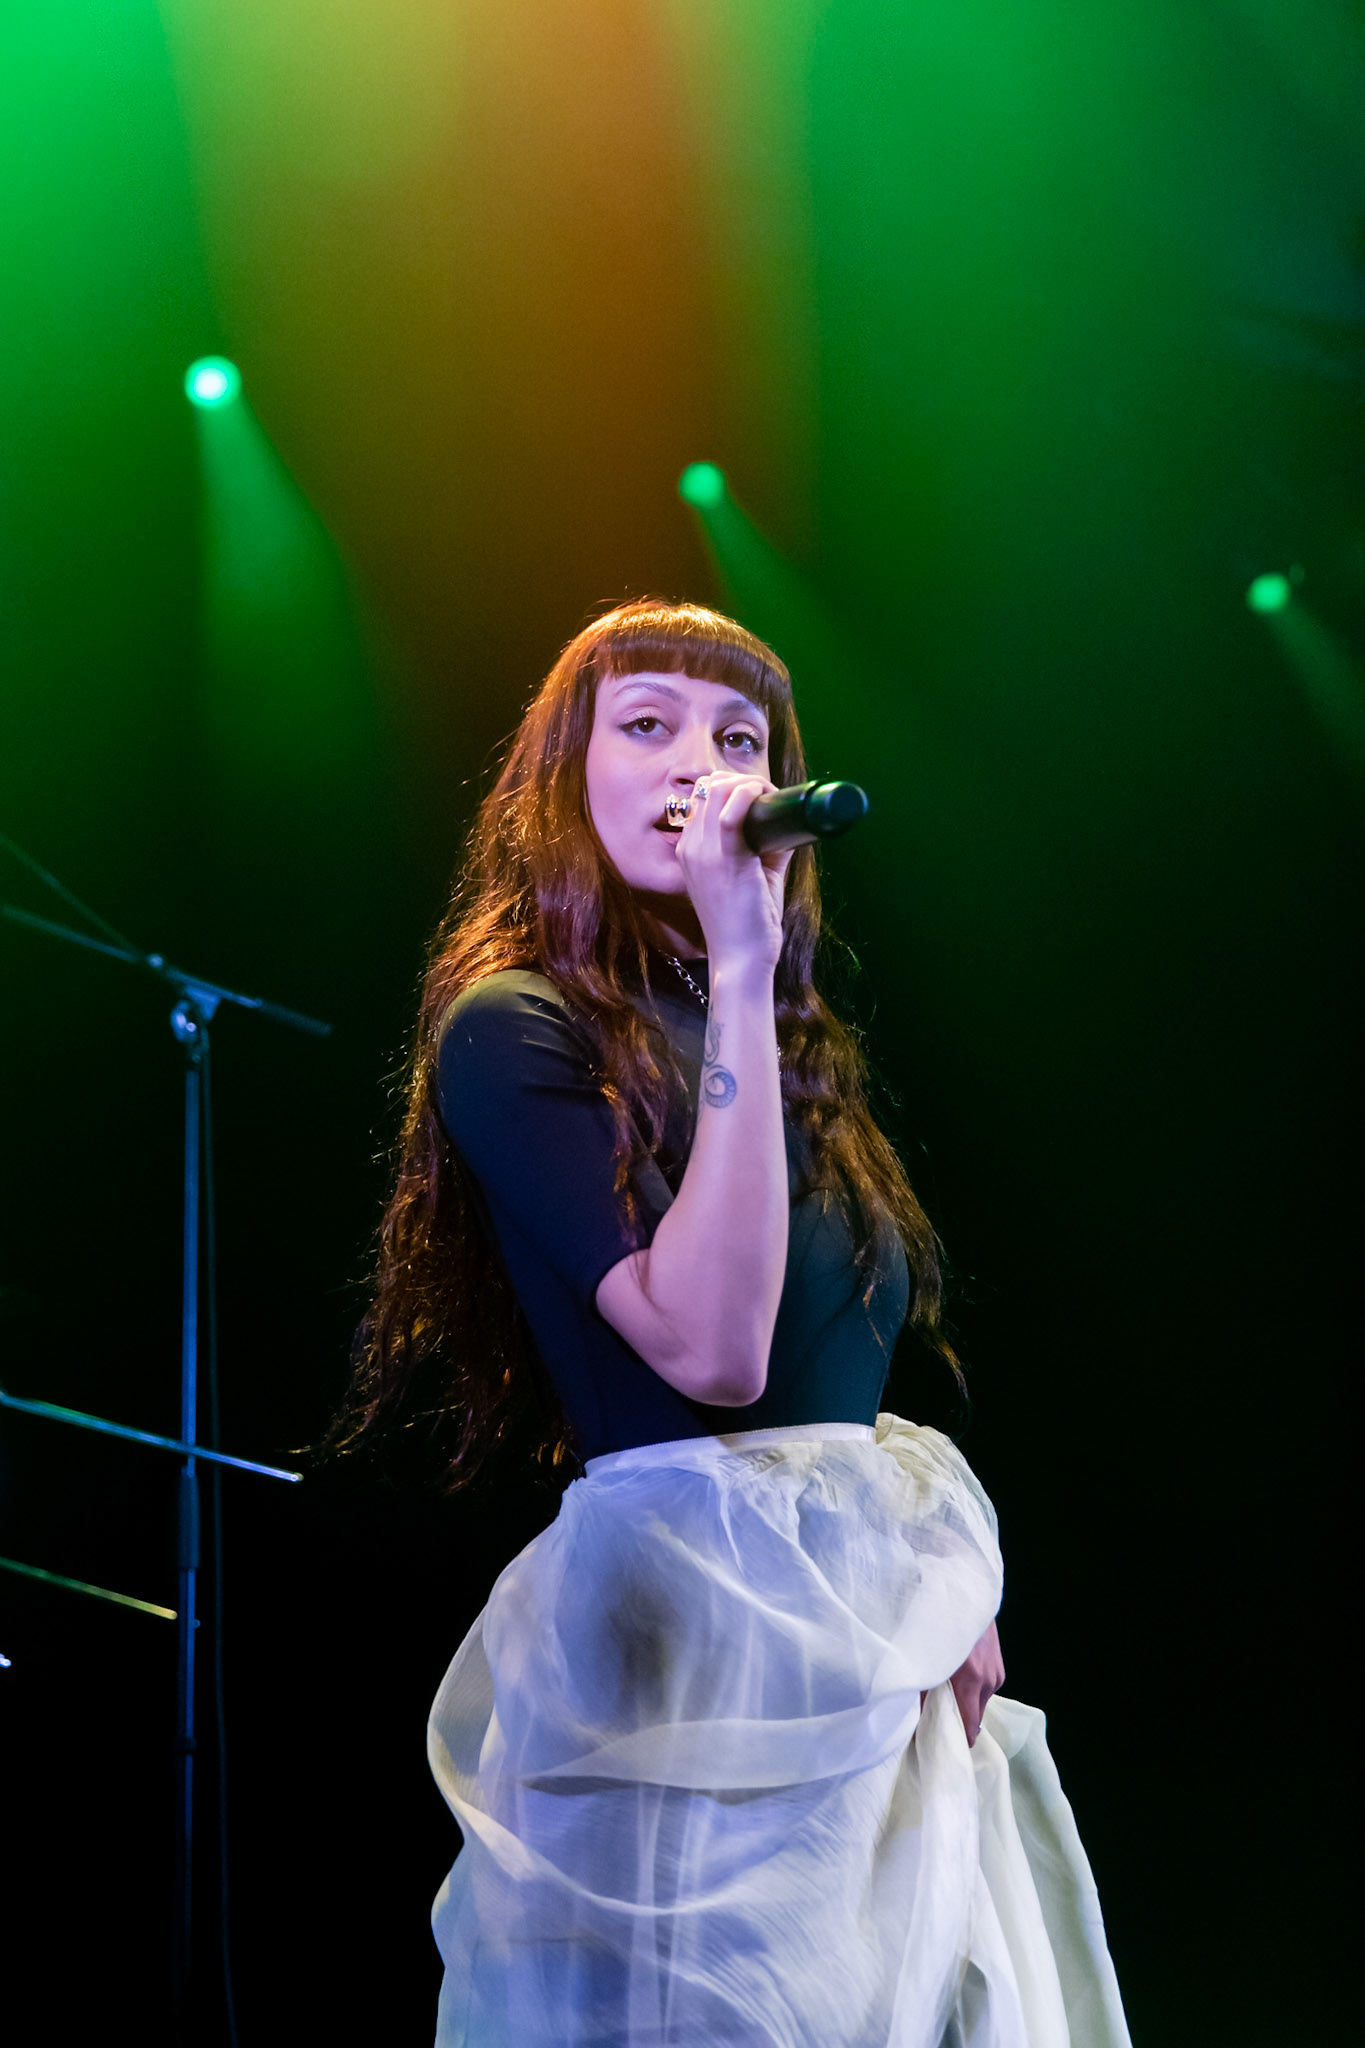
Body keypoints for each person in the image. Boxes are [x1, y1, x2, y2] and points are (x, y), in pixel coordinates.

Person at [334, 600, 1130, 2047]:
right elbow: (711, 1351)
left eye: (738, 737)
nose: (699, 765)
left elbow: (832, 1383)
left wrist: (927, 1579)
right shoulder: (517, 1027)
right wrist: (748, 967)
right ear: (563, 774)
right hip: (687, 1643)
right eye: (645, 727)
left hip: (852, 1657)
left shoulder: (784, 1054)